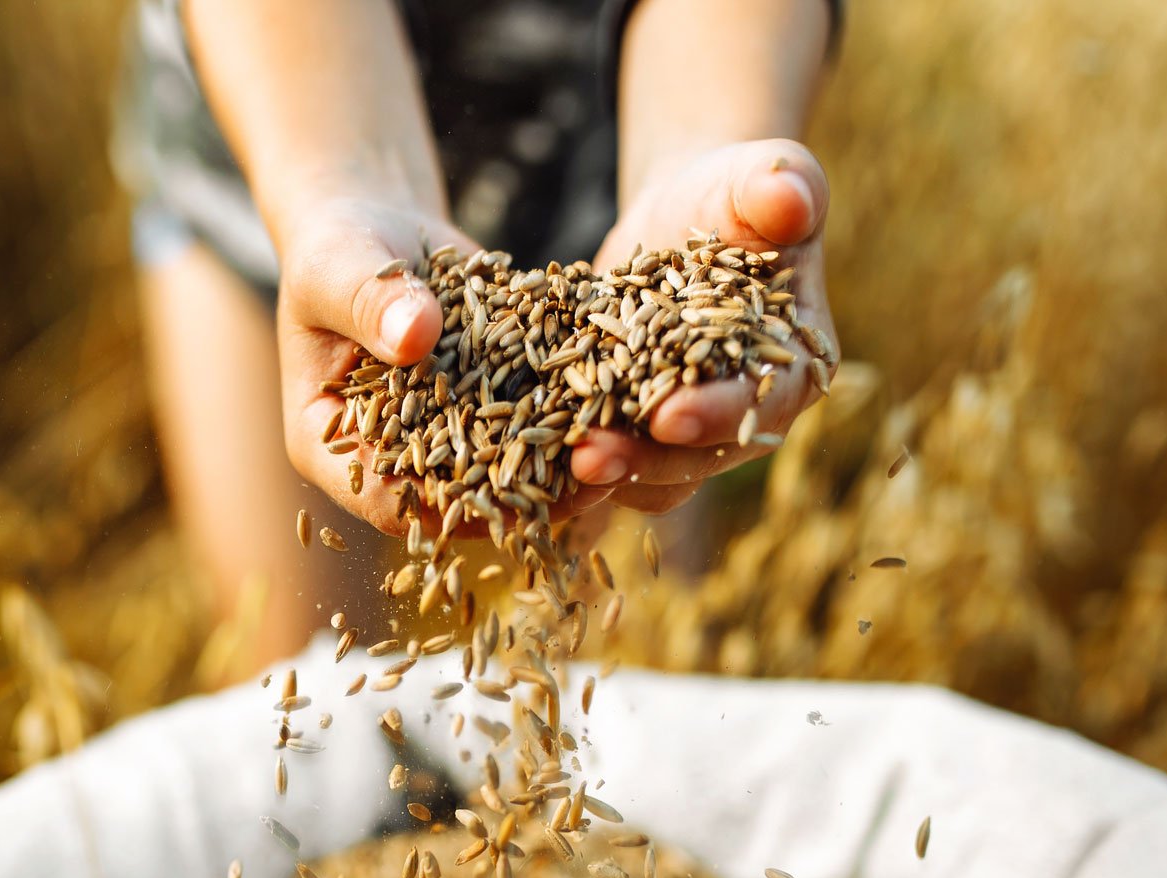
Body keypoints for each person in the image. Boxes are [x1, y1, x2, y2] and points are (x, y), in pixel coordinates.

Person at [114, 0, 840, 667]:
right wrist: (346, 178)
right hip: (280, 141)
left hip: (614, 184)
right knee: (293, 691)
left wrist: (704, 146)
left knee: (638, 678)